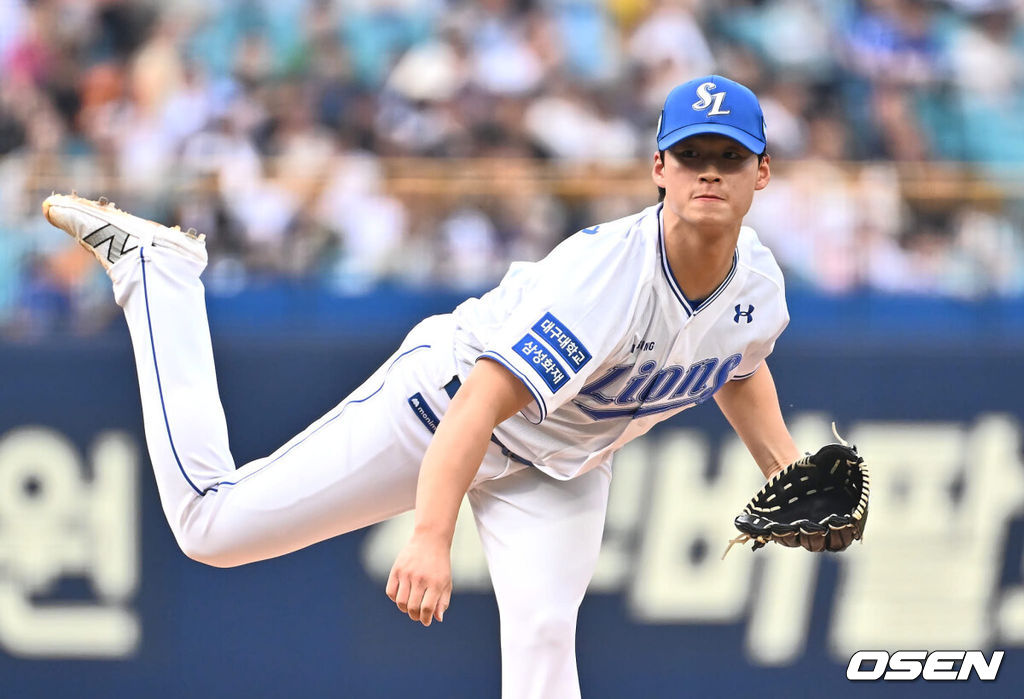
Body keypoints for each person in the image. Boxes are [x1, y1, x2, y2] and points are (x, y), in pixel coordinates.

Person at [42, 75, 799, 699]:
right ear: (657, 168)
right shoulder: (604, 278)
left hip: (561, 463)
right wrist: (433, 535)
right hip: (442, 406)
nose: (709, 170)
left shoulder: (757, 285)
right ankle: (156, 274)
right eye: (690, 152)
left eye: (729, 156)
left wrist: (786, 473)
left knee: (543, 641)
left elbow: (736, 362)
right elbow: (480, 401)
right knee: (210, 527)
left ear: (760, 172)